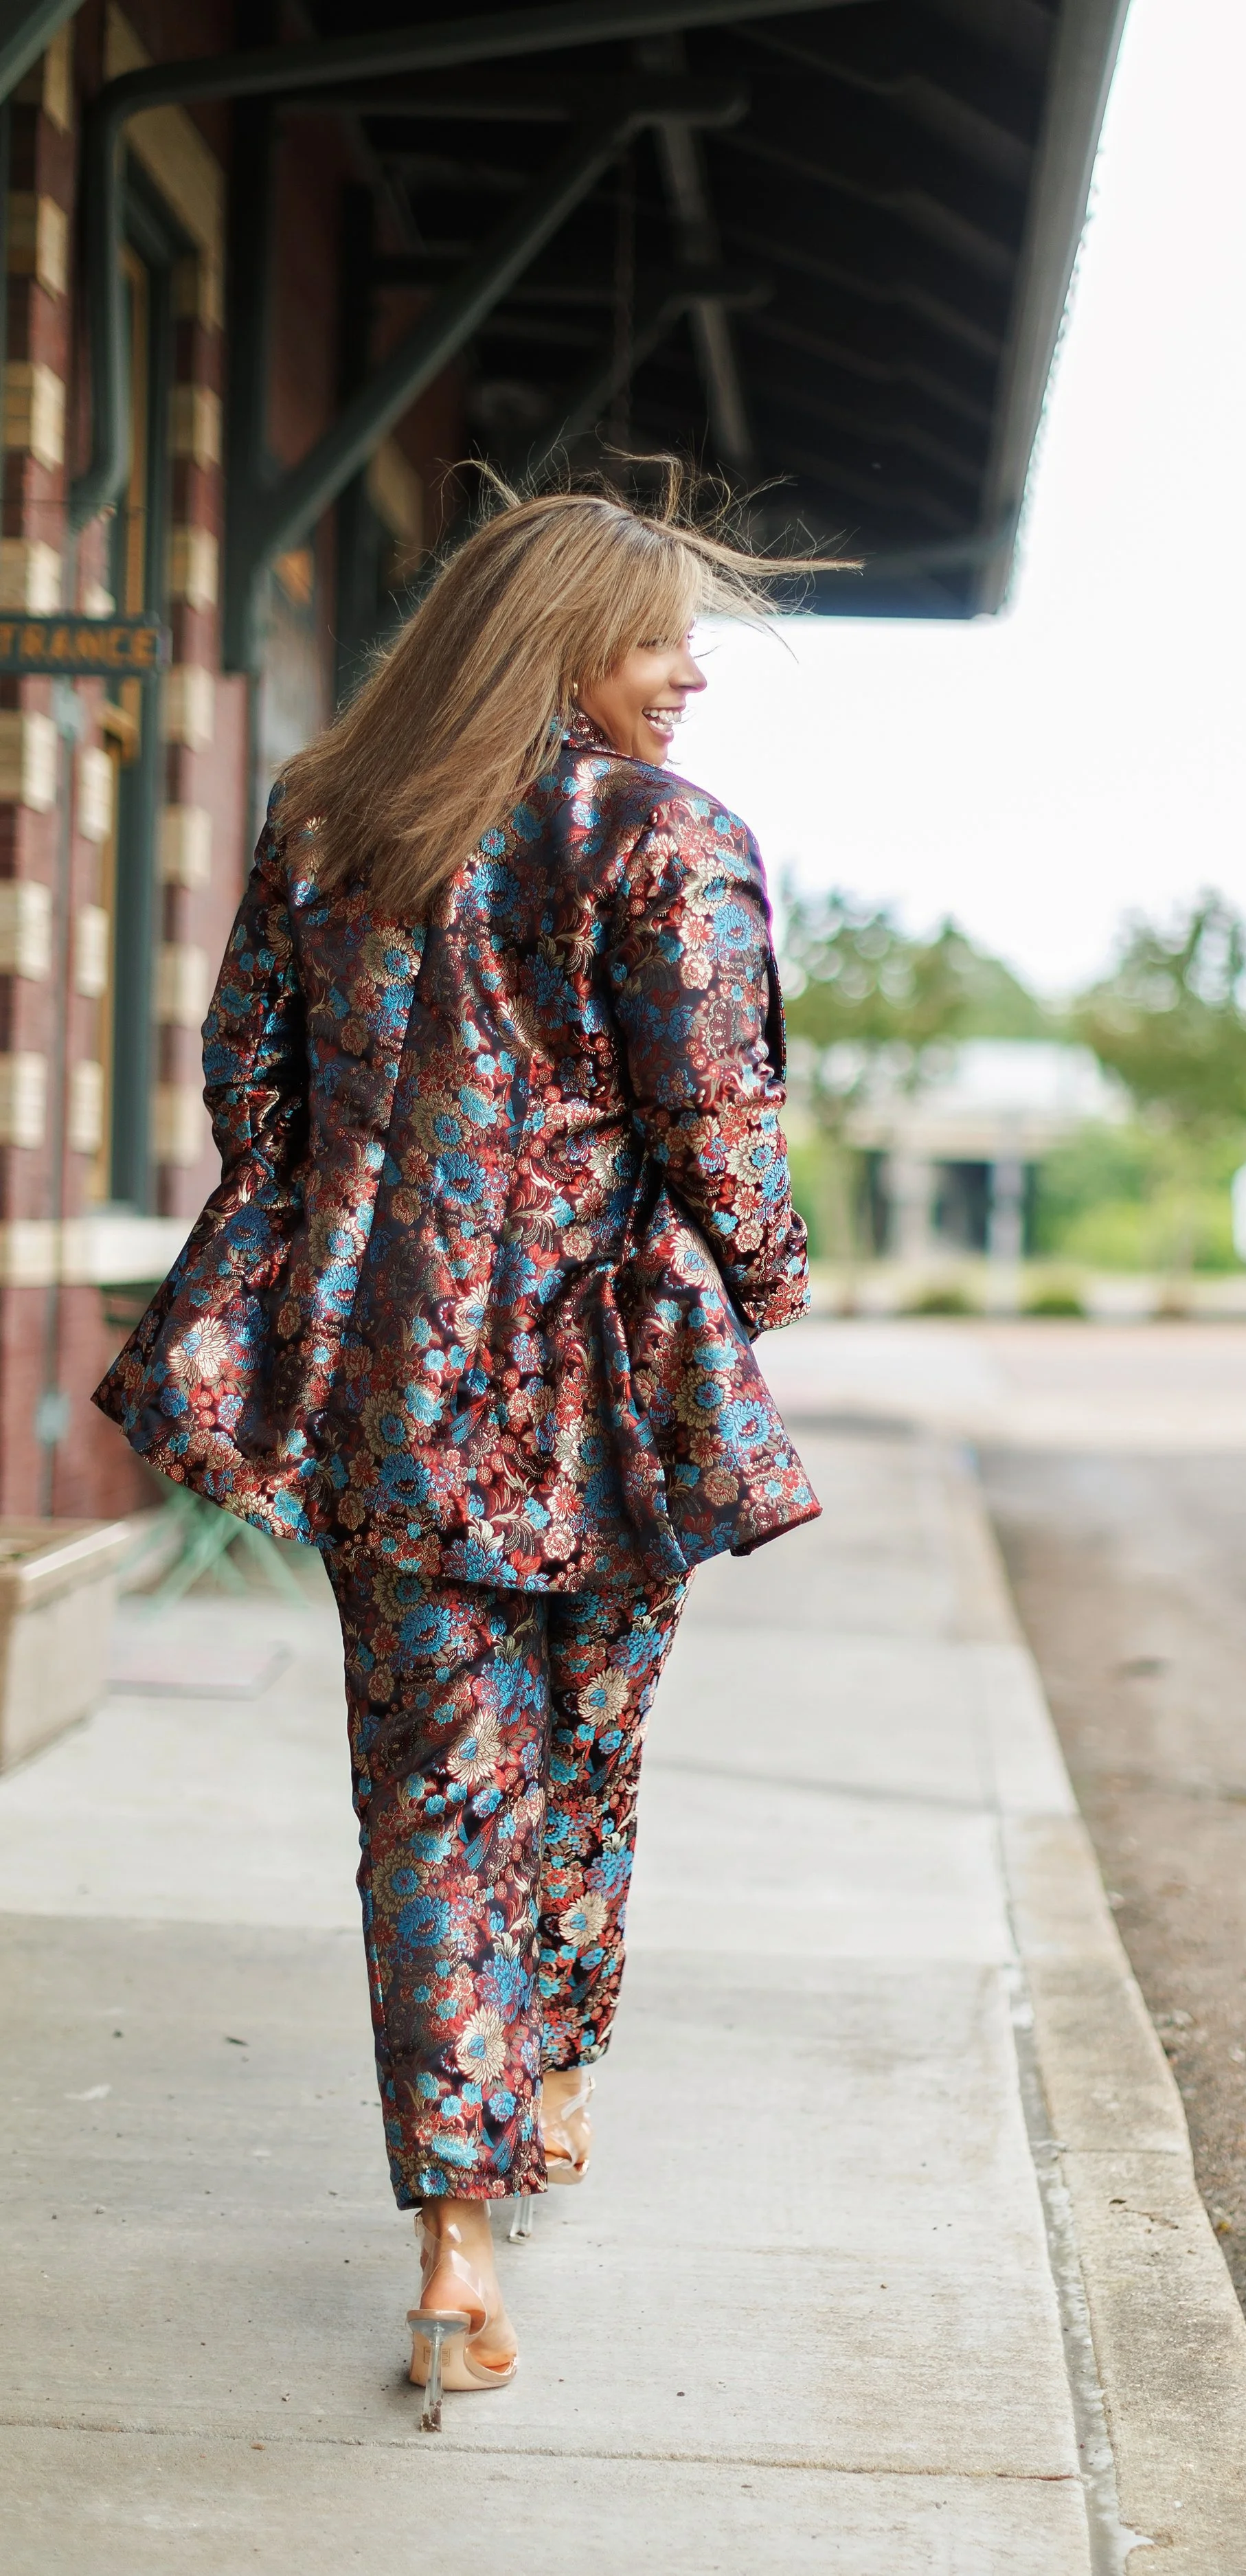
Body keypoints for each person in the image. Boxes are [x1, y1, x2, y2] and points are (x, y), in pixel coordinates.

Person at [94, 474, 832, 2422]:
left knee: (428, 1807)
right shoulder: (666, 841)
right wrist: (762, 1283)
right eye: (660, 632)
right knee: (583, 1752)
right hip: (603, 1401)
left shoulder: (329, 823)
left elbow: (249, 1090)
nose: (690, 674)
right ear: (555, 638)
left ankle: (457, 2234)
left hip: (385, 1400)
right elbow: (725, 1135)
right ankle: (552, 2065)